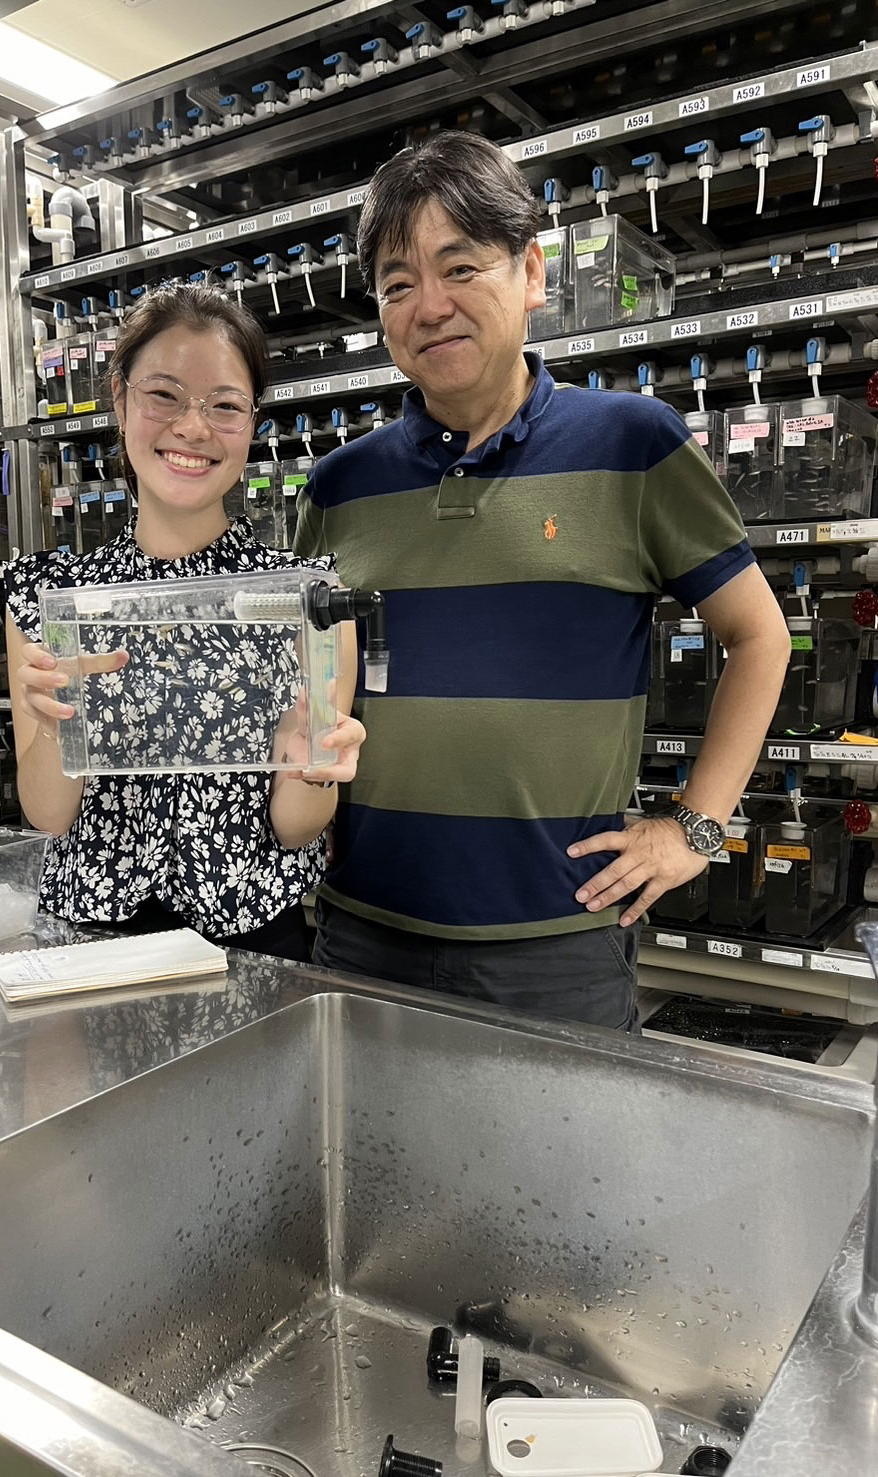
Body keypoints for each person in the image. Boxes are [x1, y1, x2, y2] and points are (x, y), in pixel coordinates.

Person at [293, 130, 790, 1027]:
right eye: (397, 285)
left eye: (459, 267)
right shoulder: (337, 487)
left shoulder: (635, 444)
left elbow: (760, 636)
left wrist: (695, 827)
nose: (429, 305)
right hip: (361, 930)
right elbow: (310, 685)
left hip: (558, 943)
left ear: (530, 271)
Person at [5, 284, 364, 962]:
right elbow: (48, 814)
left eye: (224, 405)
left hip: (251, 949)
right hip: (89, 948)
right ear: (119, 397)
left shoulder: (306, 597)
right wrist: (58, 718)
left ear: (252, 421)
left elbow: (293, 830)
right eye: (163, 394)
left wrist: (310, 759)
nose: (192, 428)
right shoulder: (53, 598)